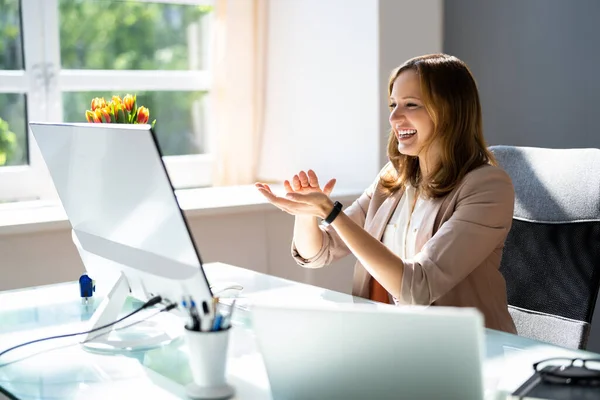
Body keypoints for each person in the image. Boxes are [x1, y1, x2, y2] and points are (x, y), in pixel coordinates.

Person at [255, 53, 517, 334]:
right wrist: (307, 214)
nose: (394, 117)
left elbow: (418, 288)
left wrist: (331, 213)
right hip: (387, 341)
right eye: (393, 105)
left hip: (461, 349)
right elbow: (320, 252)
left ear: (450, 110)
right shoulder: (393, 179)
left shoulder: (488, 186)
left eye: (411, 105)